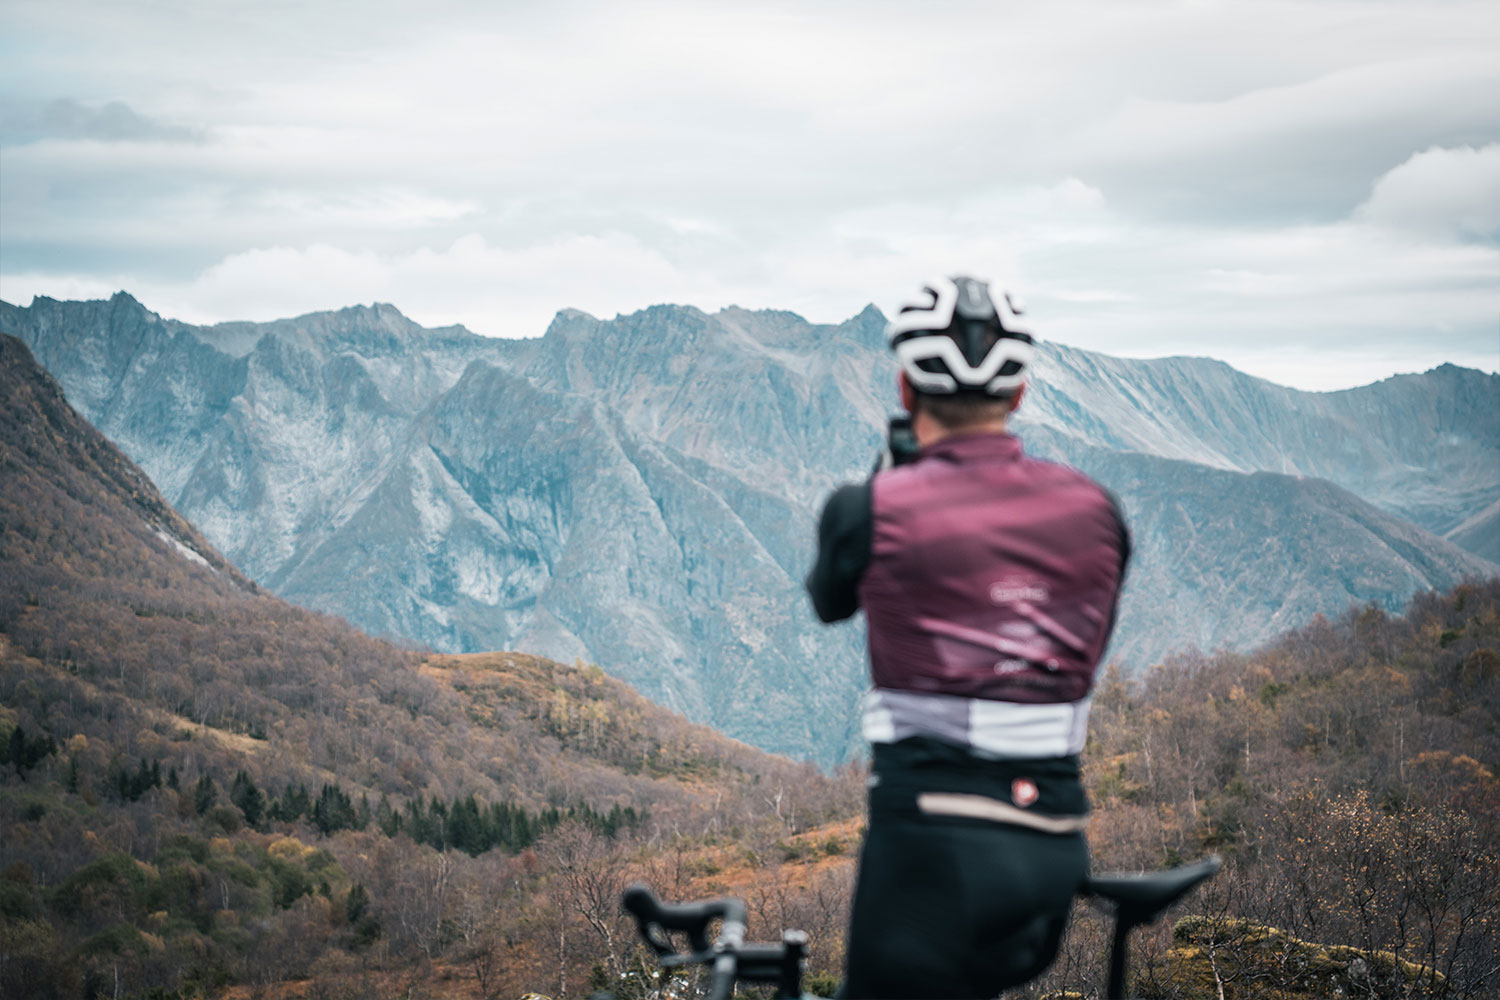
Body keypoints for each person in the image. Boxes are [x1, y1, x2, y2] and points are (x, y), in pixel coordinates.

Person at [806, 275, 1131, 999]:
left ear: (903, 387)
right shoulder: (1097, 509)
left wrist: (884, 486)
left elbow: (829, 601)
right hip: (1054, 844)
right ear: (1017, 396)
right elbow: (1087, 640)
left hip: (928, 845)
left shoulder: (870, 509)